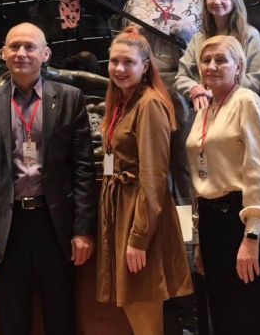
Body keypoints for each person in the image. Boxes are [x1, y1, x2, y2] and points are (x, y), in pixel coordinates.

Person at [0, 22, 97, 335]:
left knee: (61, 318)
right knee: (12, 320)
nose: (21, 53)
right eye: (14, 47)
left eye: (30, 47)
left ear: (45, 54)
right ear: (3, 53)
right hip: (7, 228)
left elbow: (83, 168)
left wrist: (83, 230)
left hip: (55, 226)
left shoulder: (70, 98)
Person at [97, 28, 193, 335]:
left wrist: (139, 238)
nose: (120, 69)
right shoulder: (122, 102)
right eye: (114, 61)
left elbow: (154, 177)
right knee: (135, 312)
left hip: (141, 216)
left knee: (146, 319)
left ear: (145, 66)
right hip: (121, 210)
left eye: (129, 62)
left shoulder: (149, 104)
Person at [185, 35, 260, 334]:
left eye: (221, 60)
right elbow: (200, 176)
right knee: (223, 314)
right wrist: (199, 239)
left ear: (238, 66)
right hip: (212, 221)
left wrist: (252, 235)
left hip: (245, 220)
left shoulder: (247, 102)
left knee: (252, 314)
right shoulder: (205, 110)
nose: (212, 66)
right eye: (206, 60)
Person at [175, 0, 260, 112]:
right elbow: (181, 77)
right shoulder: (198, 39)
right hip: (205, 112)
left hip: (239, 111)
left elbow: (255, 81)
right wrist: (195, 89)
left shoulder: (250, 36)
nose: (217, 1)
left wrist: (216, 92)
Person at [123, 0, 202, 84]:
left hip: (190, 80)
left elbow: (208, 41)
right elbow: (123, 46)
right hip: (146, 81)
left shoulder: (196, 2)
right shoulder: (133, 5)